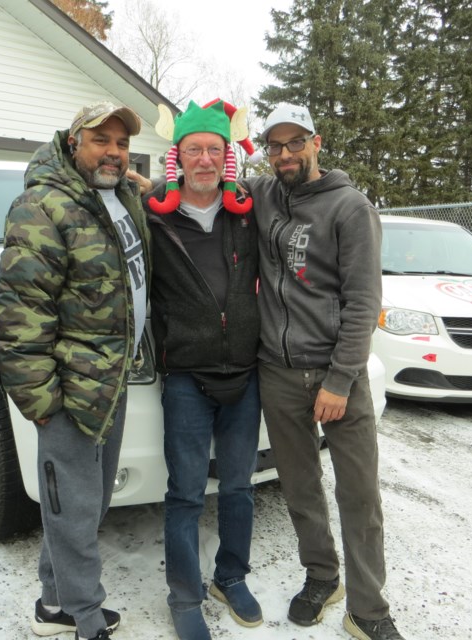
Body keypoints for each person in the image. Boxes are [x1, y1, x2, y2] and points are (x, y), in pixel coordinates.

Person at [241, 103, 406, 640]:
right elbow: (206, 179)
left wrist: (339, 380)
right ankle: (322, 577)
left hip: (337, 375)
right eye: (275, 145)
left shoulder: (350, 207)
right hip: (279, 372)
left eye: (295, 143)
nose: (285, 154)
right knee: (300, 487)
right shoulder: (264, 194)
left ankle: (368, 610)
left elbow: (363, 302)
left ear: (316, 142)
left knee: (359, 494)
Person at [0, 100, 151, 640]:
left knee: (85, 502)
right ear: (72, 141)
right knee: (75, 507)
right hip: (69, 390)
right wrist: (41, 403)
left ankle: (53, 603)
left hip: (111, 379)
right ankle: (86, 616)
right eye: (101, 140)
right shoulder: (41, 206)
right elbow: (20, 315)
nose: (113, 152)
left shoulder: (121, 196)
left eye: (122, 143)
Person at [142, 100, 262, 640]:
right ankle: (185, 596)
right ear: (179, 158)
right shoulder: (153, 218)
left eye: (215, 149)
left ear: (227, 157)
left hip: (245, 373)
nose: (206, 160)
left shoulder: (251, 215)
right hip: (187, 377)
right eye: (195, 150)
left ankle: (230, 577)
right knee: (187, 494)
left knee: (239, 487)